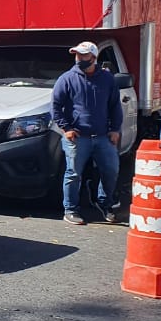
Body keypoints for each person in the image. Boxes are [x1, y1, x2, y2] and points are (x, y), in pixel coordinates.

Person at [51, 41, 123, 225]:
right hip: (77, 137)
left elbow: (115, 106)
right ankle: (70, 210)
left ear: (94, 57)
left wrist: (115, 129)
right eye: (77, 55)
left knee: (111, 170)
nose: (79, 59)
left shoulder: (107, 79)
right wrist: (66, 128)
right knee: (73, 174)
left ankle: (105, 203)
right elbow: (56, 107)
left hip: (103, 136)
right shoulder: (67, 79)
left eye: (84, 55)